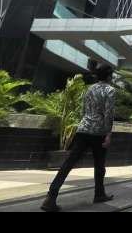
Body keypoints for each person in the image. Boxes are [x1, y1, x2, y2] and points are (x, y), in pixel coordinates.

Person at [41, 63, 116, 212]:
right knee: (99, 166)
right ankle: (99, 194)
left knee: (68, 164)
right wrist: (108, 134)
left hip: (83, 129)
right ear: (109, 76)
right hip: (99, 132)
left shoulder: (89, 89)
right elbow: (109, 113)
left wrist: (86, 123)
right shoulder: (110, 90)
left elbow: (83, 110)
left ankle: (51, 196)